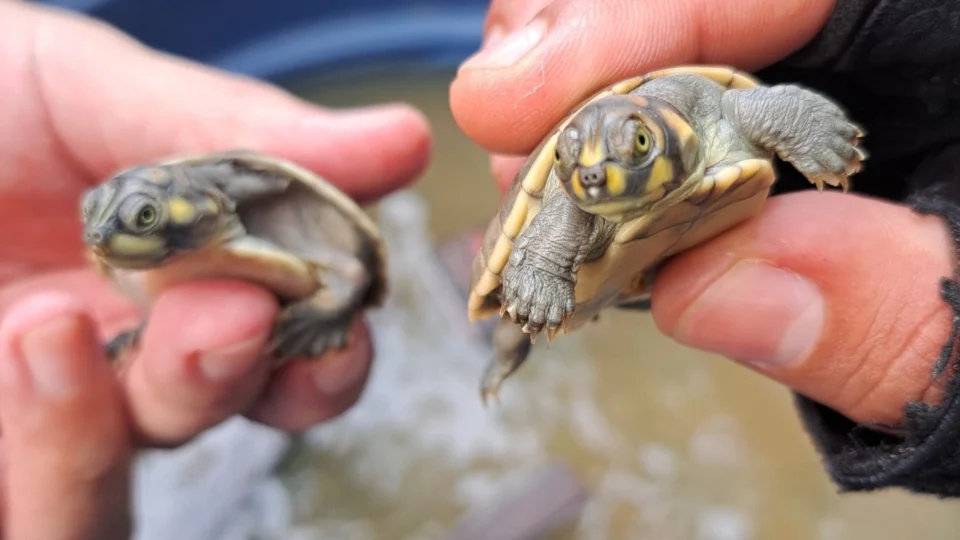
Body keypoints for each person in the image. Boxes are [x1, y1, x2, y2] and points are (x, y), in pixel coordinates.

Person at [0, 0, 957, 537]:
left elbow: (760, 107)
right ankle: (499, 316)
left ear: (663, 132)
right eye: (586, 169)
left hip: (704, 212)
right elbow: (572, 193)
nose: (599, 176)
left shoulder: (704, 112)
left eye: (622, 155)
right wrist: (539, 271)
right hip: (601, 259)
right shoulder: (586, 181)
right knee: (528, 280)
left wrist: (814, 134)